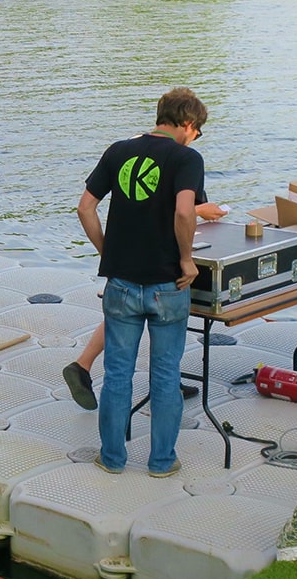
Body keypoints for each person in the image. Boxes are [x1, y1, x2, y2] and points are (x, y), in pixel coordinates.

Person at [76, 87, 207, 478]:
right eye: (198, 130)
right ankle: (161, 462)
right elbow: (184, 211)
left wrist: (108, 252)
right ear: (187, 124)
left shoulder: (119, 150)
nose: (196, 137)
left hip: (121, 284)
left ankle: (112, 458)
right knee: (165, 376)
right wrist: (186, 259)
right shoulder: (186, 158)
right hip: (168, 284)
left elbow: (85, 207)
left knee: (118, 374)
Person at [62, 199, 227, 411]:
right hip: (148, 260)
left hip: (133, 256)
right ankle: (165, 386)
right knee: (151, 315)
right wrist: (198, 210)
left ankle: (83, 365)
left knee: (122, 313)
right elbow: (153, 214)